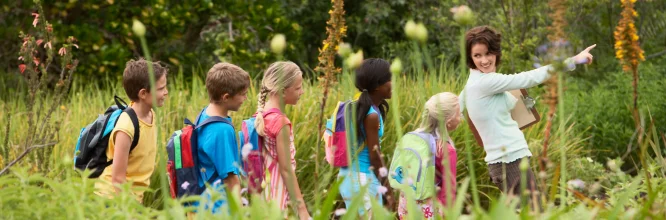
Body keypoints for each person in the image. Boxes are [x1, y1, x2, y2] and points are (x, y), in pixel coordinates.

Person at [459, 26, 595, 210]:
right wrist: (574, 60)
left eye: (488, 53)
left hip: (509, 160)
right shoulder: (485, 82)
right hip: (509, 162)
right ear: (470, 58)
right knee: (534, 213)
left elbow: (456, 107)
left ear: (496, 52)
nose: (484, 60)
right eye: (477, 56)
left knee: (528, 212)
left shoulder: (474, 83)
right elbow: (530, 77)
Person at [95, 58, 169, 203]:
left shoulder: (150, 114)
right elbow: (117, 178)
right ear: (143, 94)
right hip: (113, 200)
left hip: (132, 199)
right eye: (161, 89)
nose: (166, 92)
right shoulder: (126, 127)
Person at [254, 61, 310, 219]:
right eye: (298, 88)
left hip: (263, 194)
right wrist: (303, 211)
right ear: (283, 91)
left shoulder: (260, 117)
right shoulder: (281, 123)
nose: (302, 92)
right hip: (278, 196)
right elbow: (286, 171)